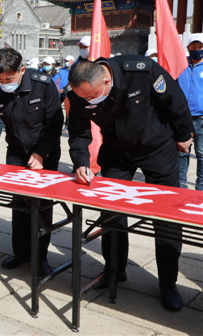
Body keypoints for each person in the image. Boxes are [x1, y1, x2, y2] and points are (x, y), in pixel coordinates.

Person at [67, 56, 193, 312]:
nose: (89, 101)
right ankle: (114, 270)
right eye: (84, 98)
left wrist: (183, 135)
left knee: (166, 217)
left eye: (93, 96)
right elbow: (78, 132)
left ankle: (168, 283)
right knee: (111, 214)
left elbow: (175, 100)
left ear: (106, 80)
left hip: (156, 147)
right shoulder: (79, 94)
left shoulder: (140, 72)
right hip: (116, 152)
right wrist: (80, 162)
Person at [0, 48, 63, 277]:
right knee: (19, 204)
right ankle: (20, 252)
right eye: (0, 79)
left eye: (10, 79)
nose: (5, 83)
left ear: (22, 71)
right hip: (16, 150)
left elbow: (55, 124)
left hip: (45, 151)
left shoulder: (43, 85)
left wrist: (40, 154)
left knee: (41, 206)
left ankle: (41, 257)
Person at [178, 33, 203, 191]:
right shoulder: (180, 65)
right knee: (182, 150)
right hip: (182, 117)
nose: (197, 50)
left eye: (200, 47)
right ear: (188, 48)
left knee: (201, 153)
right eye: (193, 47)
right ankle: (180, 184)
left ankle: (200, 186)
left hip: (201, 118)